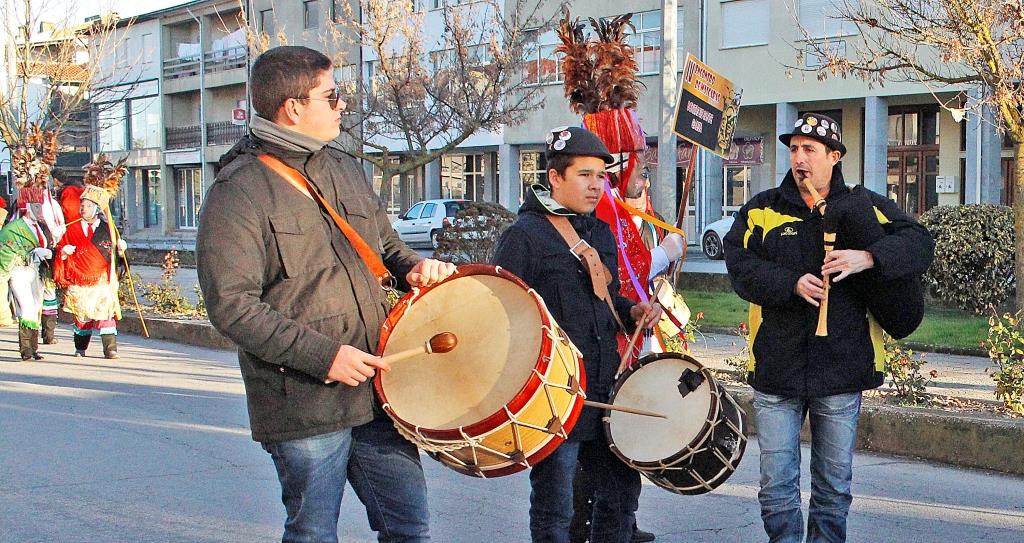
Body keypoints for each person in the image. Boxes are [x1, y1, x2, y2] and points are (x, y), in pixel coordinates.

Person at [196, 45, 455, 543]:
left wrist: (414, 269)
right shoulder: (239, 190)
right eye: (331, 96)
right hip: (304, 403)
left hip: (379, 390)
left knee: (410, 527)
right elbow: (232, 305)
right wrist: (325, 357)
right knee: (314, 532)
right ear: (293, 107)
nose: (342, 105)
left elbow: (386, 246)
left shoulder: (344, 166)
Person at [723, 112, 934, 543]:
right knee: (776, 489)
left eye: (810, 150)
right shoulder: (762, 208)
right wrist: (789, 283)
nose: (799, 159)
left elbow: (919, 242)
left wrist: (868, 257)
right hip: (777, 368)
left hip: (841, 367)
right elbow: (739, 265)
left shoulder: (863, 204)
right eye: (793, 149)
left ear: (834, 156)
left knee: (833, 490)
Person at [493, 125, 661, 543]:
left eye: (601, 176)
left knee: (621, 499)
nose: (596, 185)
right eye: (585, 175)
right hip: (556, 396)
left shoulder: (599, 231)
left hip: (605, 388)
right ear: (555, 177)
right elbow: (501, 316)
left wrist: (633, 310)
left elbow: (607, 299)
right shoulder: (524, 236)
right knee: (557, 508)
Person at [54, 155, 127, 360]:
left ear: (96, 208)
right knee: (82, 319)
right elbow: (58, 250)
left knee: (106, 315)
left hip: (102, 280)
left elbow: (116, 256)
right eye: (82, 205)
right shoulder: (70, 228)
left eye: (87, 206)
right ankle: (80, 347)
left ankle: (110, 349)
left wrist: (121, 250)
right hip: (80, 280)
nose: (82, 208)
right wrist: (63, 251)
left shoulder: (108, 229)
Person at [0, 185, 56, 360]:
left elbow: (49, 246)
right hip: (19, 272)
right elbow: (6, 252)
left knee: (37, 308)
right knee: (27, 307)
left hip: (37, 272)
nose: (40, 210)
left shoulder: (42, 227)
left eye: (41, 206)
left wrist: (51, 252)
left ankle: (33, 347)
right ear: (27, 207)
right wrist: (31, 253)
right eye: (36, 206)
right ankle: (25, 349)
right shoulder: (13, 228)